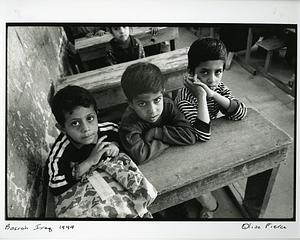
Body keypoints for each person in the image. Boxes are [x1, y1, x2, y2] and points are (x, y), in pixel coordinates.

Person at [46, 85, 157, 218]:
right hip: (91, 200)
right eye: (75, 123)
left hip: (118, 191)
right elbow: (54, 184)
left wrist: (116, 146)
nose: (86, 129)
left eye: (90, 118)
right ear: (62, 128)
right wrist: (89, 162)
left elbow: (126, 140)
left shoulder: (108, 130)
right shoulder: (61, 150)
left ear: (97, 115)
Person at [175, 38, 247, 218]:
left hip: (203, 144)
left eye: (218, 72)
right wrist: (201, 96)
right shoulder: (185, 98)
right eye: (204, 72)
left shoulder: (218, 88)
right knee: (204, 195)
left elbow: (239, 114)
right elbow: (202, 134)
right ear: (191, 73)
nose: (212, 79)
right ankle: (207, 204)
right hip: (184, 148)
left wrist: (213, 94)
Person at [119, 62, 196, 165]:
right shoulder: (128, 123)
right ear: (131, 104)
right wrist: (171, 138)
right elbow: (141, 155)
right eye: (142, 103)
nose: (153, 110)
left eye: (157, 100)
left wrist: (156, 133)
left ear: (162, 93)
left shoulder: (168, 105)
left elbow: (189, 135)